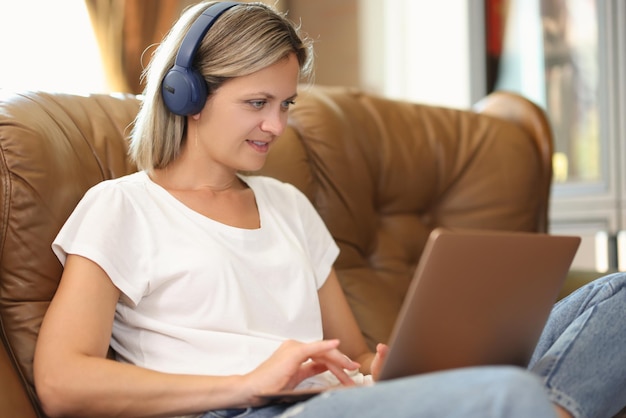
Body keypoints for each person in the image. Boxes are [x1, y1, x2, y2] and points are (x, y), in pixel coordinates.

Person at [33, 2, 626, 418]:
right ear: (184, 95)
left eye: (286, 103)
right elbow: (62, 382)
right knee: (506, 396)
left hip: (340, 401)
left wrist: (385, 367)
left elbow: (352, 353)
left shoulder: (288, 206)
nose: (277, 125)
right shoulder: (123, 207)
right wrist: (249, 383)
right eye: (257, 103)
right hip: (238, 411)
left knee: (617, 297)